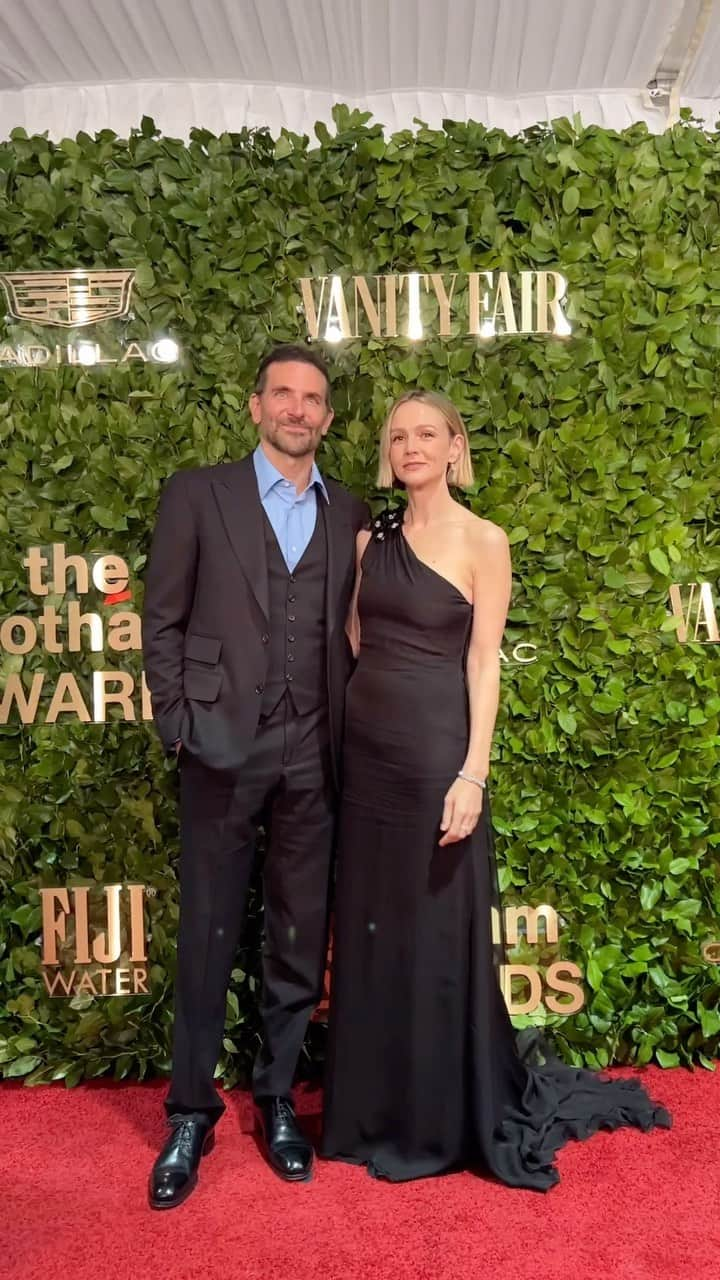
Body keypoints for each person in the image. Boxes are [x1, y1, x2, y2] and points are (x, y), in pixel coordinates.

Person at [321, 389, 671, 1188]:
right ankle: (370, 1113)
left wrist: (472, 769)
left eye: (427, 434)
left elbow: (484, 662)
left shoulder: (485, 539)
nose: (411, 446)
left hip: (437, 757)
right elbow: (353, 637)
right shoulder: (373, 540)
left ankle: (439, 1116)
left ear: (454, 447)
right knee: (374, 934)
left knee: (437, 935)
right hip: (367, 759)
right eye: (398, 435)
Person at [143, 344, 367, 1208]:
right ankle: (190, 1111)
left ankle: (276, 1098)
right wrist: (179, 728)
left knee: (297, 936)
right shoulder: (198, 493)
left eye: (313, 398)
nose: (298, 409)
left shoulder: (349, 509)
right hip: (219, 752)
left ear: (328, 418)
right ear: (255, 405)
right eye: (284, 394)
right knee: (205, 936)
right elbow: (160, 619)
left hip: (315, 756)